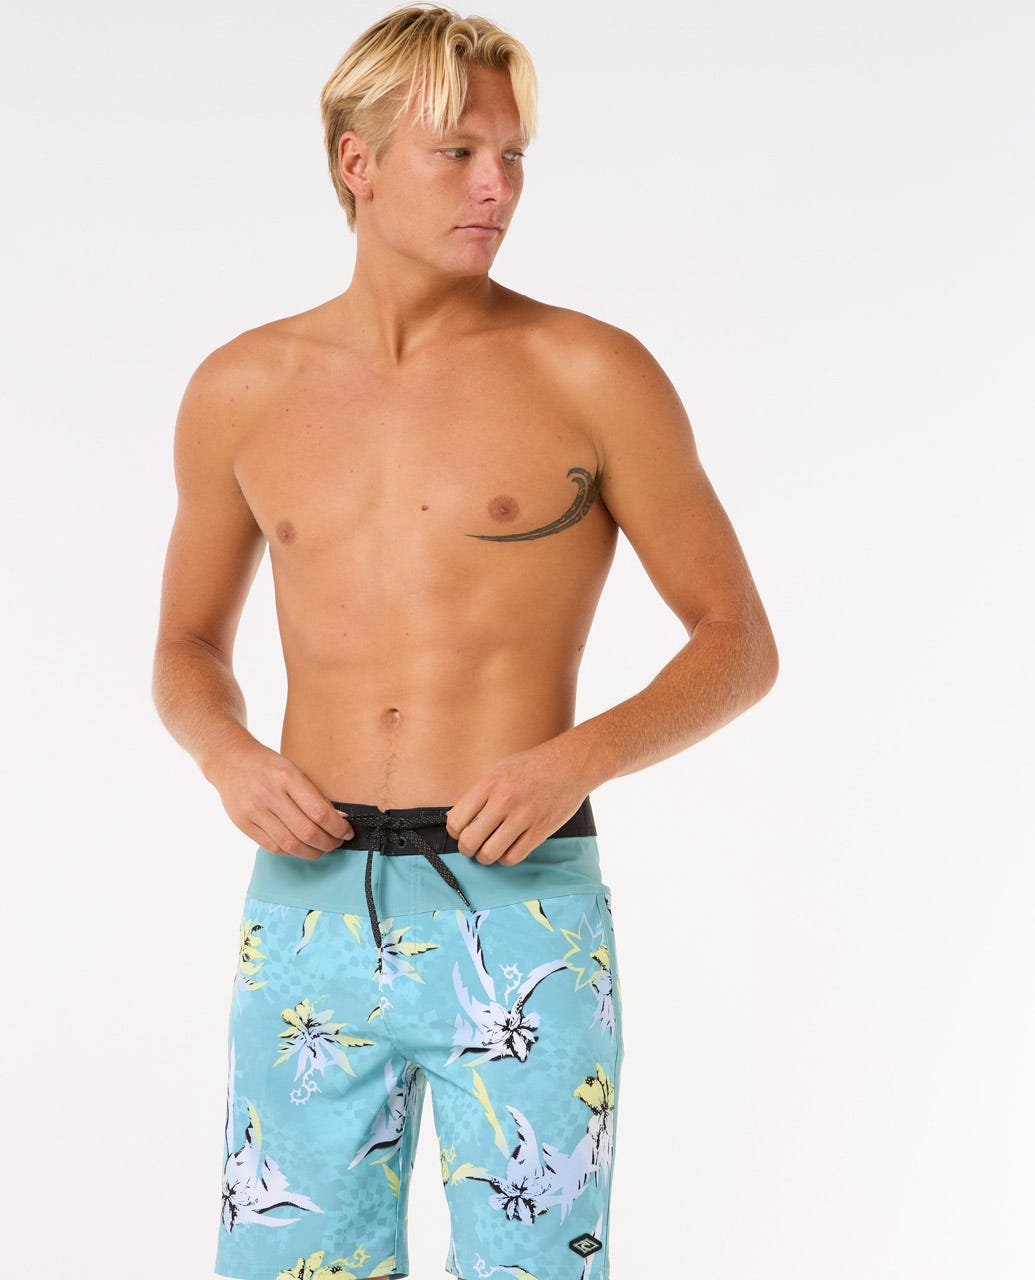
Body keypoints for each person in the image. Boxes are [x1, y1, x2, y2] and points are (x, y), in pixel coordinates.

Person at [152, 6, 778, 1279]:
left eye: (514, 155)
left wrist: (577, 757)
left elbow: (737, 641)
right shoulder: (243, 388)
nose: (498, 186)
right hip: (309, 913)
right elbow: (186, 642)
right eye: (458, 153)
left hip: (523, 909)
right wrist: (226, 752)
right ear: (358, 161)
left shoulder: (591, 372)